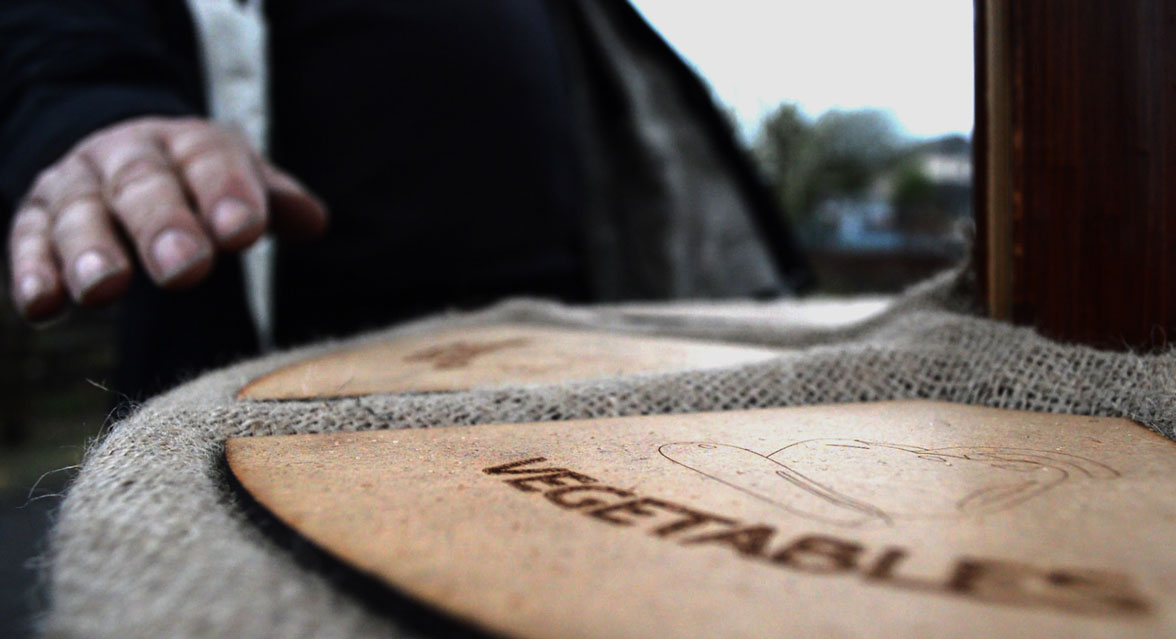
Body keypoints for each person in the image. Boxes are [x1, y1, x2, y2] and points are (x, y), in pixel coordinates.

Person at [2, 0, 806, 400]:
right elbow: (61, 41)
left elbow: (663, 136)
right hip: (277, 370)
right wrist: (98, 120)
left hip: (572, 352)